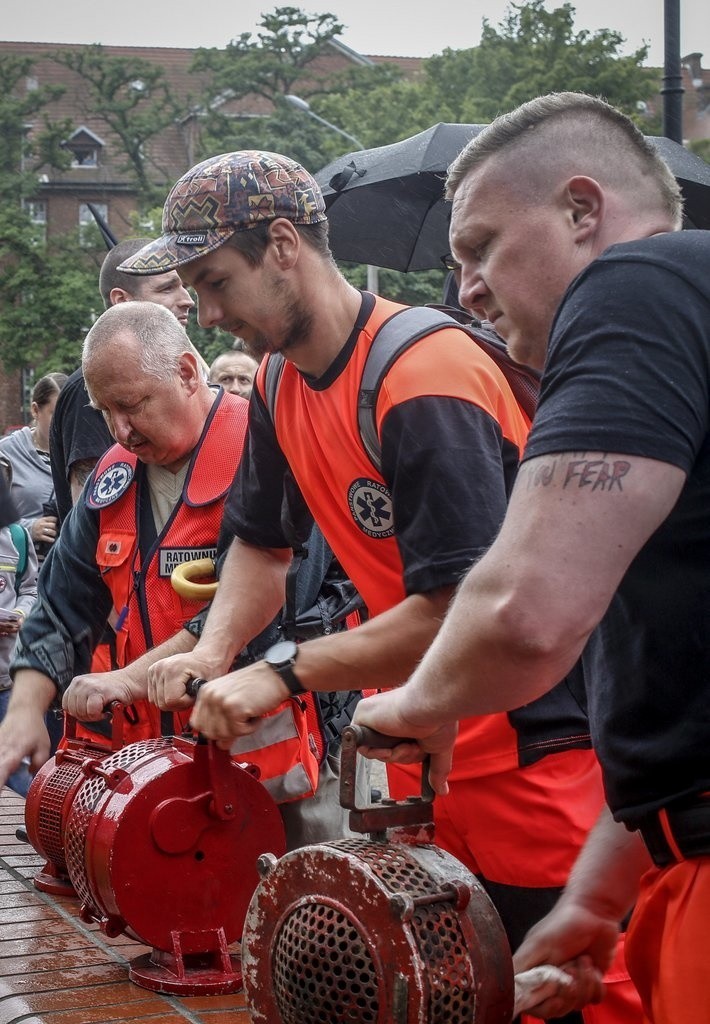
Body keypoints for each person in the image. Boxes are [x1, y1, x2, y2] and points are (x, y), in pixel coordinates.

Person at [120, 149, 641, 1019]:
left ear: (283, 243)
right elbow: (260, 543)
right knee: (450, 988)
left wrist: (282, 671)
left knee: (583, 986)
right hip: (421, 739)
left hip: (535, 746)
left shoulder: (424, 376)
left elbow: (459, 609)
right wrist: (213, 653)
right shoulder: (285, 381)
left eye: (215, 281)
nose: (207, 314)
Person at [351, 92, 709, 1023]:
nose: (464, 286)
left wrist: (409, 708)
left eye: (481, 246)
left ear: (583, 211)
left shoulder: (637, 284)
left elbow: (527, 612)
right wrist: (595, 899)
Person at [0, 301, 249, 778]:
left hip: (258, 771)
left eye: (132, 406)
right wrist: (27, 707)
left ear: (186, 373)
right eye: (105, 412)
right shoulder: (115, 473)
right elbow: (62, 598)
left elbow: (263, 609)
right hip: (150, 771)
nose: (120, 431)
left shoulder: (261, 450)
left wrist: (128, 679)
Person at [49, 238, 198, 524]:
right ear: (121, 300)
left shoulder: (172, 372)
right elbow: (94, 516)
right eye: (167, 287)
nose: (187, 300)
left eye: (184, 286)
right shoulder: (94, 386)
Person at [0, 456, 38, 796]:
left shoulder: (17, 537)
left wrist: (22, 615)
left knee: (17, 766)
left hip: (7, 677)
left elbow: (31, 588)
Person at [0, 372, 67, 562]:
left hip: (66, 574)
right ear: (35, 410)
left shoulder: (80, 456)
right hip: (20, 573)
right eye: (56, 414)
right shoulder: (7, 453)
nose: (64, 423)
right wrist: (30, 528)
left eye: (69, 414)